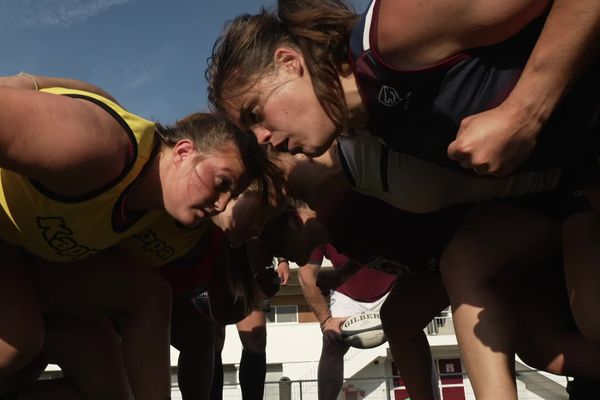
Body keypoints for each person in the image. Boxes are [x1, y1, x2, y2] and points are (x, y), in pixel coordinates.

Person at [0, 73, 279, 395]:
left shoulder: (165, 207)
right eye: (221, 183)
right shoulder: (97, 145)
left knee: (119, 376)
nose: (221, 204)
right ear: (183, 152)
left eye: (232, 195)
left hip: (28, 258)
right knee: (20, 338)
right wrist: (26, 82)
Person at [264, 190, 600, 399]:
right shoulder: (339, 234)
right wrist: (342, 273)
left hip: (487, 237)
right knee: (396, 318)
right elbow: (368, 250)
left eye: (280, 247)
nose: (283, 257)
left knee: (553, 339)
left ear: (295, 219)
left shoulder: (347, 205)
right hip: (444, 261)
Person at [297, 244, 403, 400]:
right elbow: (306, 274)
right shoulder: (317, 223)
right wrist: (326, 321)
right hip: (346, 295)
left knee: (410, 338)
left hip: (391, 287)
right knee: (331, 341)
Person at [210, 256, 290, 400]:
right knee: (213, 340)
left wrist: (283, 259)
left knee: (256, 338)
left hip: (250, 265)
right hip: (215, 260)